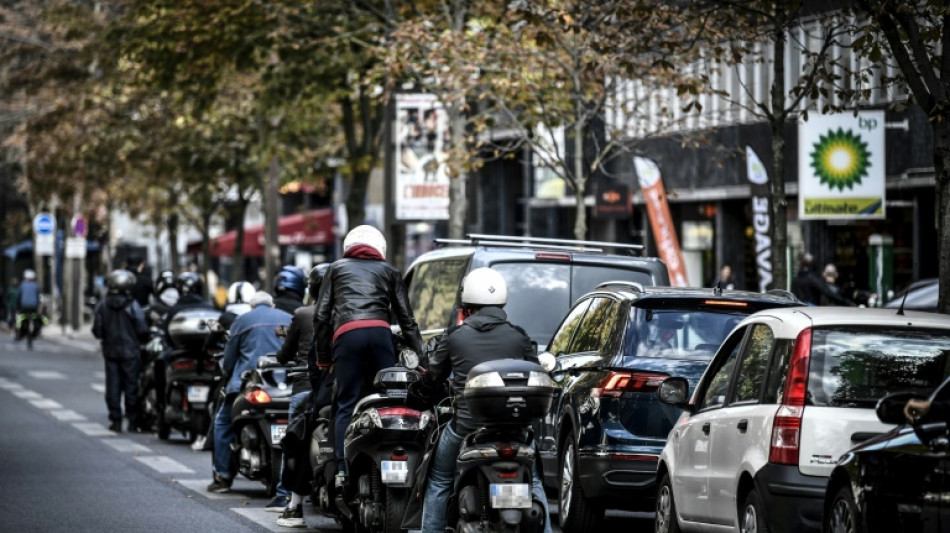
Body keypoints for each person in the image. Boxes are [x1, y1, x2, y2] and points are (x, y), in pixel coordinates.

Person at [417, 267, 551, 533]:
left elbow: (432, 378)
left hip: (466, 429)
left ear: (467, 305)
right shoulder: (519, 336)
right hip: (516, 430)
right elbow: (538, 372)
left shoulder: (455, 338)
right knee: (534, 481)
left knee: (440, 479)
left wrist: (420, 391)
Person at [312, 225, 423, 481]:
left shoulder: (336, 269)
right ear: (379, 247)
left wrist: (323, 358)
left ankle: (342, 468)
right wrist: (422, 359)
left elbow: (321, 317)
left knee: (346, 402)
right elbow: (407, 320)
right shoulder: (390, 271)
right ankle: (389, 455)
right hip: (381, 335)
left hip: (347, 336)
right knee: (388, 398)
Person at [208, 291, 292, 493]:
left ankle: (223, 476)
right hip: (286, 385)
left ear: (252, 307)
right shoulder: (288, 317)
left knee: (222, 423)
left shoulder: (242, 320)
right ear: (272, 305)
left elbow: (229, 359)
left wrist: (228, 372)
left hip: (247, 384)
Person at [274, 263, 330, 525]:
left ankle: (289, 499)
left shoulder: (304, 313)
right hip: (340, 390)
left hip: (306, 388)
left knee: (295, 440)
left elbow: (288, 353)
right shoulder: (344, 313)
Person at [92, 270, 149, 433]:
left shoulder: (103, 305)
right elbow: (142, 328)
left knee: (113, 386)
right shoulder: (133, 305)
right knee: (131, 386)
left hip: (110, 352)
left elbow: (97, 331)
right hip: (131, 352)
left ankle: (115, 420)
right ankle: (132, 420)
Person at [14, 270, 41, 341]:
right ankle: (33, 334)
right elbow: (38, 297)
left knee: (22, 319)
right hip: (33, 306)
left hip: (24, 306)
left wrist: (17, 307)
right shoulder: (36, 286)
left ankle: (22, 333)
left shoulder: (22, 285)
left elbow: (18, 297)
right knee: (35, 319)